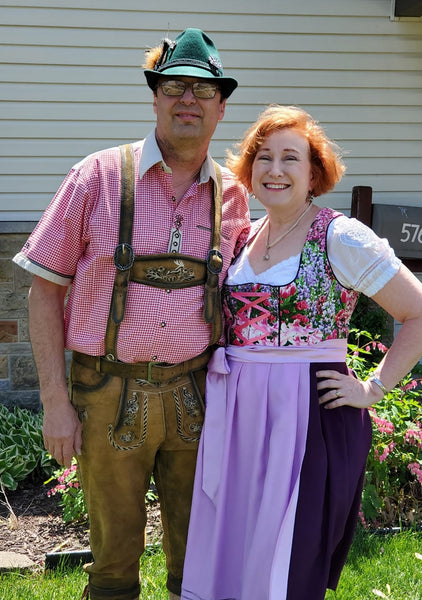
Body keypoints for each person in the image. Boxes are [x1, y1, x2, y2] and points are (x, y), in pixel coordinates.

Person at [13, 29, 250, 600]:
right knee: (114, 566)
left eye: (203, 89)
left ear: (221, 105)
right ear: (155, 97)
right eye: (174, 86)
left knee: (198, 561)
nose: (188, 99)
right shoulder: (95, 176)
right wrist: (54, 404)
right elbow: (43, 291)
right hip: (107, 393)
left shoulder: (235, 196)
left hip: (199, 394)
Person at [180, 104, 422, 600]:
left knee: (290, 557)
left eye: (290, 158)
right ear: (249, 168)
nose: (274, 170)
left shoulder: (340, 236)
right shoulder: (243, 236)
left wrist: (373, 387)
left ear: (314, 171)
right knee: (236, 545)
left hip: (306, 415)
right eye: (263, 157)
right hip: (238, 415)